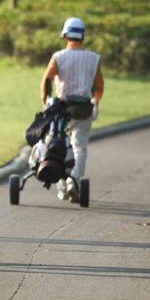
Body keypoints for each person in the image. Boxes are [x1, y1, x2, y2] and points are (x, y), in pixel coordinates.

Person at [39, 17, 104, 201]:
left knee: (60, 147)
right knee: (79, 148)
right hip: (84, 109)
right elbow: (99, 87)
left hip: (61, 109)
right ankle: (73, 180)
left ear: (65, 35)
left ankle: (62, 185)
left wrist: (45, 103)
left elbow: (46, 80)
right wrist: (96, 102)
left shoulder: (58, 57)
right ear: (82, 36)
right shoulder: (94, 58)